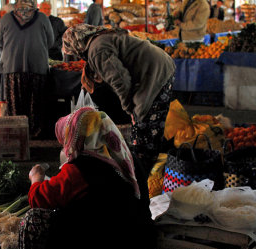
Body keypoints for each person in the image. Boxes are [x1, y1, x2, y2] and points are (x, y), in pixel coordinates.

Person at [19, 107, 152, 249]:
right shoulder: (125, 157)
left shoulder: (80, 169)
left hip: (99, 248)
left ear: (77, 137)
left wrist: (36, 177)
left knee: (32, 219)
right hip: (138, 240)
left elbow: (38, 198)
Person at [62, 24, 175, 175]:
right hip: (159, 66)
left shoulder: (97, 50)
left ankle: (144, 174)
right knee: (150, 126)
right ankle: (154, 170)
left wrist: (129, 108)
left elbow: (121, 81)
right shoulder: (99, 39)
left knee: (144, 127)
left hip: (154, 72)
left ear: (76, 45)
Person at [0, 0, 54, 138]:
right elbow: (51, 42)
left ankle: (18, 136)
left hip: (12, 69)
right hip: (37, 68)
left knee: (16, 106)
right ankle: (36, 135)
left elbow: (0, 42)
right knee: (36, 105)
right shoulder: (42, 18)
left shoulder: (6, 19)